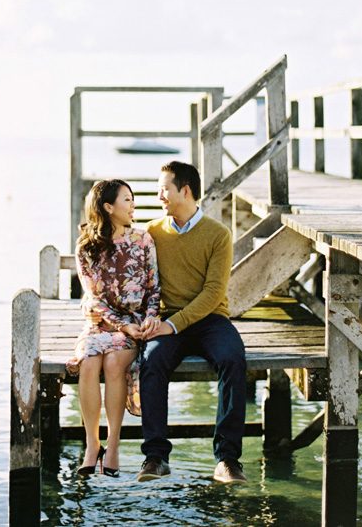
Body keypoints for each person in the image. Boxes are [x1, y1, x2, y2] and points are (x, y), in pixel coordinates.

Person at [137, 160, 247, 484]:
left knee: (233, 359)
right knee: (152, 360)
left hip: (211, 318)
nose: (159, 196)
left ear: (185, 191)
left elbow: (214, 292)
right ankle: (155, 457)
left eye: (164, 189)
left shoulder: (218, 235)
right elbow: (143, 281)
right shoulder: (153, 233)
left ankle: (227, 460)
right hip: (169, 317)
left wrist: (173, 325)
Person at [67, 179, 161, 477]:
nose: (133, 205)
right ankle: (92, 446)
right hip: (100, 322)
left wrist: (147, 320)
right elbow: (92, 296)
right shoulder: (87, 246)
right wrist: (119, 325)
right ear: (109, 207)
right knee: (89, 362)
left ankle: (114, 445)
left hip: (134, 324)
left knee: (112, 363)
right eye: (127, 200)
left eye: (132, 200)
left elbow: (154, 288)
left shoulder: (143, 240)